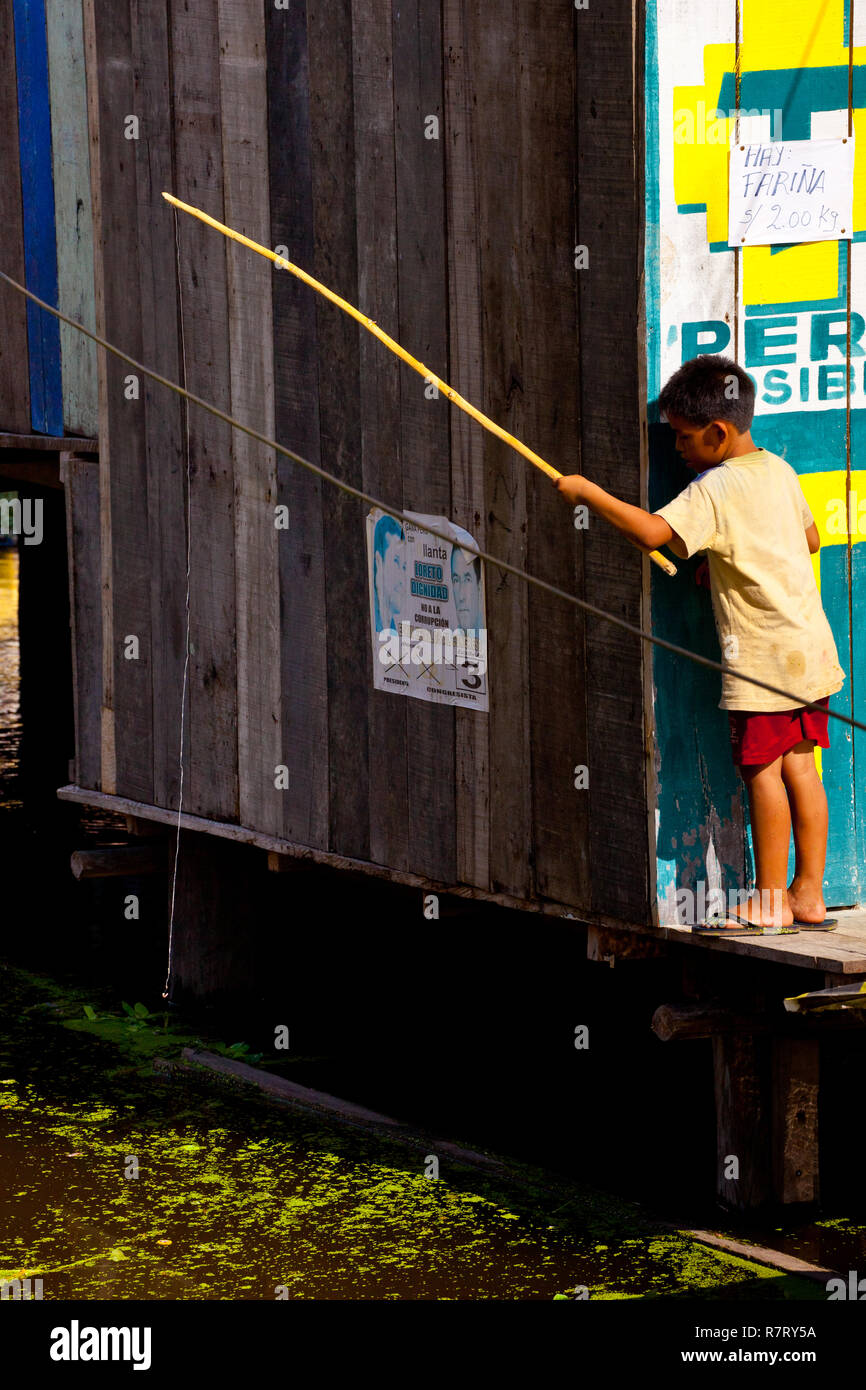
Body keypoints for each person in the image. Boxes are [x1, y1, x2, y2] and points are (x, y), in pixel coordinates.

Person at [554, 354, 846, 934]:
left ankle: (767, 900)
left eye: (684, 438)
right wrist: (733, 558)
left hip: (762, 659)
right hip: (809, 652)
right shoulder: (777, 470)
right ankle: (808, 894)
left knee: (762, 772)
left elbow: (654, 533)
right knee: (802, 770)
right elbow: (809, 539)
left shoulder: (714, 487)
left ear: (717, 433)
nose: (678, 450)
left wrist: (588, 493)